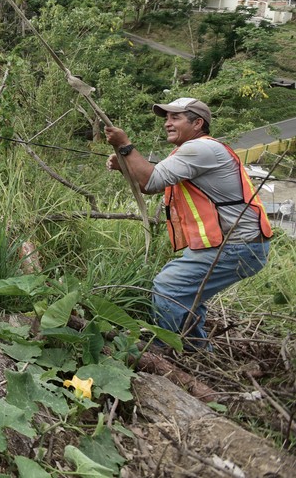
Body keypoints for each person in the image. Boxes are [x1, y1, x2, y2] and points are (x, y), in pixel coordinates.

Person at [104, 97, 272, 350]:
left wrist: (125, 146)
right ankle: (196, 349)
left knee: (169, 285)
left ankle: (165, 347)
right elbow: (149, 186)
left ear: (198, 123)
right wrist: (124, 166)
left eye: (175, 118)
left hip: (236, 245)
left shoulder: (202, 149)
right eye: (166, 118)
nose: (167, 124)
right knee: (189, 295)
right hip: (232, 244)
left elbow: (152, 181)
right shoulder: (191, 152)